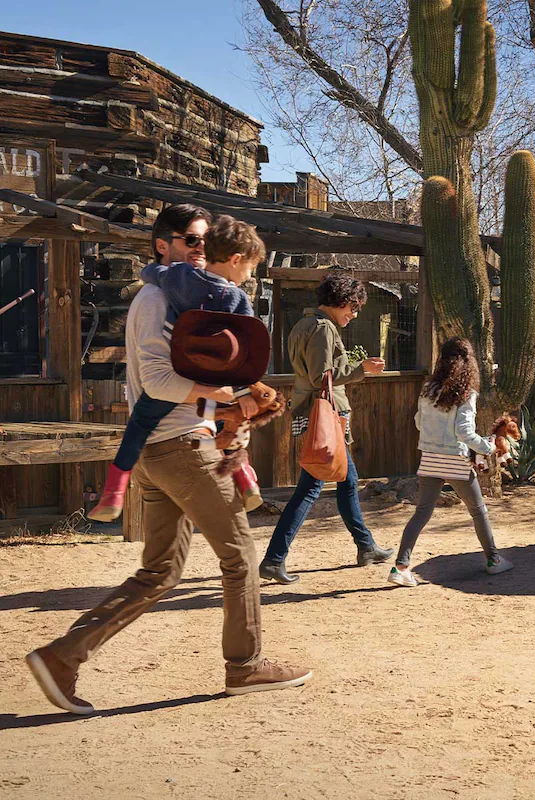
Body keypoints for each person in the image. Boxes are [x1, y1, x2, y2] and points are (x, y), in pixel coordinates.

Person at [25, 204, 310, 715]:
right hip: (180, 449)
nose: (201, 251)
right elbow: (158, 382)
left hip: (167, 450)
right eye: (190, 242)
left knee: (160, 573)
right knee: (241, 555)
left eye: (205, 243)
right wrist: (225, 399)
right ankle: (245, 667)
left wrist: (231, 399)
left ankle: (62, 657)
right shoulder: (154, 299)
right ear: (163, 246)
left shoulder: (183, 302)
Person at [88, 215, 267, 522]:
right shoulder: (238, 298)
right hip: (212, 377)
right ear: (236, 260)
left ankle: (113, 493)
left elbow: (155, 272)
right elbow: (247, 349)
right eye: (250, 268)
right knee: (228, 420)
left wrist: (150, 270)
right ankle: (245, 477)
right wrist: (241, 391)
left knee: (138, 426)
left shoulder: (182, 278)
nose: (249, 275)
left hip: (181, 368)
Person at [259, 273, 392, 584]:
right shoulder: (323, 329)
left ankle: (366, 546)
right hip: (326, 418)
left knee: (348, 483)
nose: (354, 314)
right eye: (354, 308)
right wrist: (363, 370)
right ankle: (274, 558)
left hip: (320, 416)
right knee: (310, 489)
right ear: (343, 303)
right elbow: (323, 378)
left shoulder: (305, 324)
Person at [388, 337, 513, 587]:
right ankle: (494, 560)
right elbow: (464, 432)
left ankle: (400, 567)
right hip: (454, 460)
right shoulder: (466, 394)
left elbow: (418, 422)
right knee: (478, 511)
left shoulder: (428, 389)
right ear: (468, 363)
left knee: (421, 513)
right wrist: (488, 446)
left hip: (429, 458)